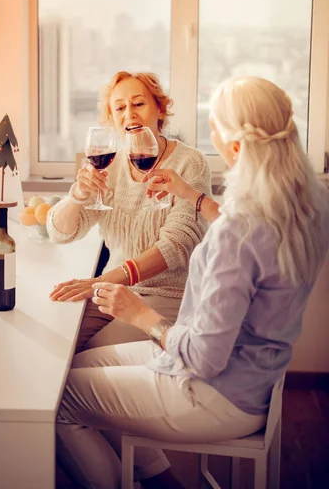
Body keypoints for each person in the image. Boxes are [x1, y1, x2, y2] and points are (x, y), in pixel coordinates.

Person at [54, 76, 329, 489]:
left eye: (216, 128)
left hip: (213, 392)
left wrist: (143, 316)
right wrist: (194, 197)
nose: (212, 137)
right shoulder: (301, 205)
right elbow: (248, 239)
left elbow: (203, 358)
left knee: (57, 400)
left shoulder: (240, 229)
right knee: (77, 368)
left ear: (236, 147)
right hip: (251, 376)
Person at [47, 71, 211, 352]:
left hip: (164, 296)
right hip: (113, 291)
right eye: (120, 108)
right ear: (112, 118)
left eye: (139, 104)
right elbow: (61, 233)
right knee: (57, 344)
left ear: (159, 109)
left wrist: (98, 282)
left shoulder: (189, 163)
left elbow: (176, 246)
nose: (129, 114)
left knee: (88, 356)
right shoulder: (109, 165)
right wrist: (78, 196)